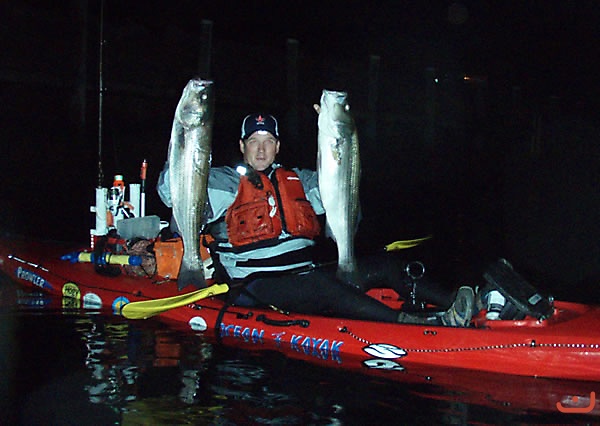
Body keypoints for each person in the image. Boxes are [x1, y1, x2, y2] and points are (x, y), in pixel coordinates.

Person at [157, 113, 474, 326]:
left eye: (268, 140)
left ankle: (461, 305)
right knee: (322, 286)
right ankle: (418, 326)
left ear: (278, 146)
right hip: (253, 287)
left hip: (303, 273)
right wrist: (188, 150)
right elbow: (172, 194)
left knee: (385, 264)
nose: (261, 148)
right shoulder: (221, 182)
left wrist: (334, 135)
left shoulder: (301, 181)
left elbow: (343, 192)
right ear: (242, 146)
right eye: (254, 140)